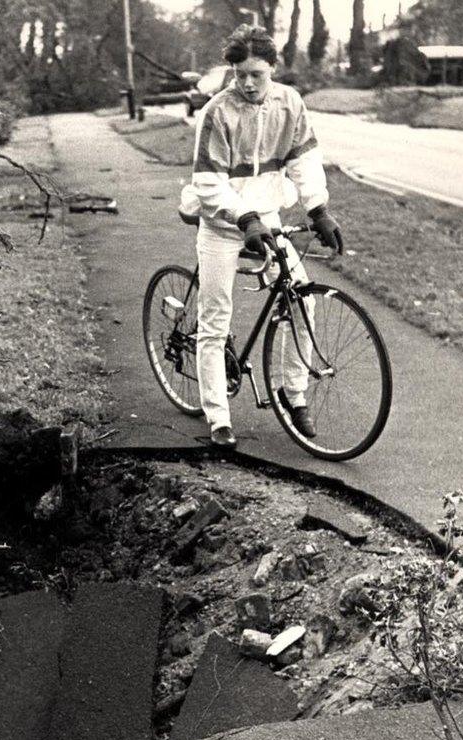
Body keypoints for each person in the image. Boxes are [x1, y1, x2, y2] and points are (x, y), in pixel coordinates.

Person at [179, 25, 343, 449]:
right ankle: (218, 417)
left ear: (273, 67)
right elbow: (208, 182)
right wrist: (243, 216)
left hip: (266, 218)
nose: (247, 83)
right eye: (239, 74)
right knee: (215, 320)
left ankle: (293, 392)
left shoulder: (290, 102)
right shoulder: (217, 111)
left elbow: (304, 161)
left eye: (256, 73)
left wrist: (318, 209)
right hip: (222, 223)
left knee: (302, 298)